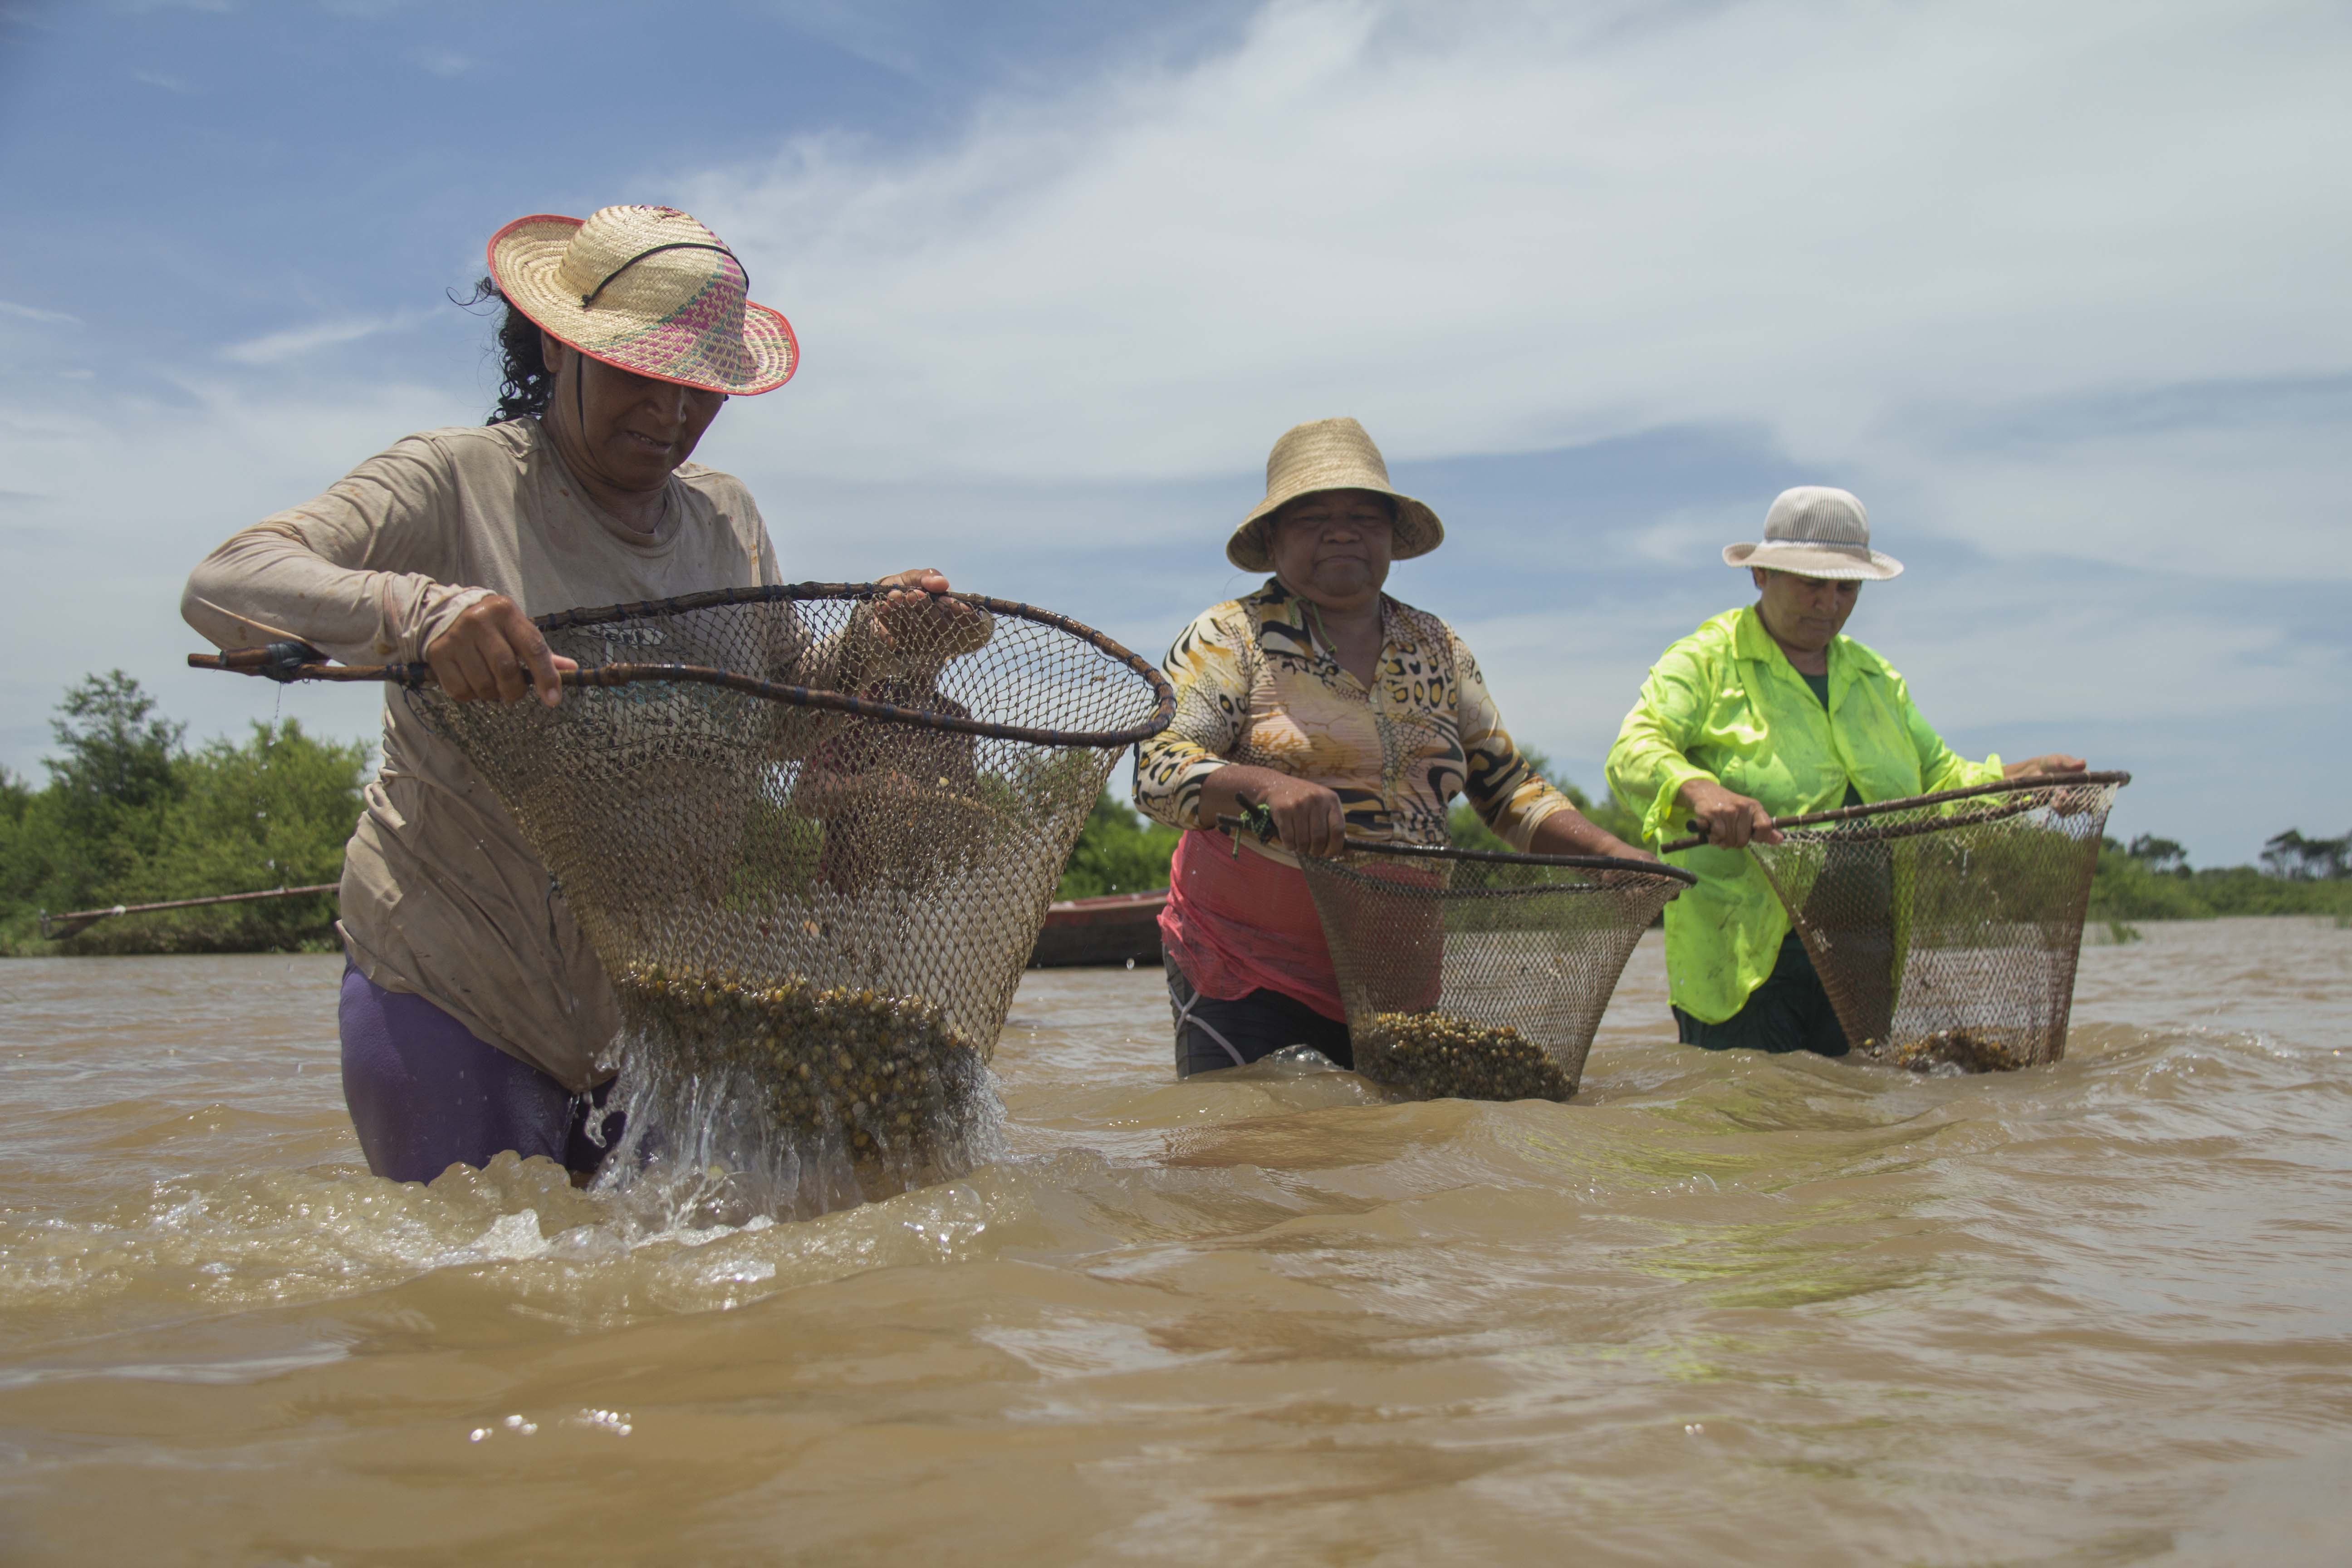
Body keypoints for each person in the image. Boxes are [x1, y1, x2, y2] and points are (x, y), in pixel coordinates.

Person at [181, 204, 965, 1182]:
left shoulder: (726, 518)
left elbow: (769, 712)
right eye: (642, 372)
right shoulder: (454, 482)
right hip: (459, 977)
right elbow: (226, 583)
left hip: (654, 1007)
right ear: (557, 347)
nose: (672, 413)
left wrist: (872, 646)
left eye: (700, 389)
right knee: (475, 1297)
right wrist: (422, 611)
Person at [1135, 417, 1653, 1078]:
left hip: (1398, 978)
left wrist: (1607, 854)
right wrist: (1268, 788)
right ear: (1272, 536)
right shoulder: (1226, 636)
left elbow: (1508, 788)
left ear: (1391, 537)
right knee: (1253, 1155)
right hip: (1245, 963)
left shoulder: (1436, 646)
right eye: (1313, 516)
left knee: (1391, 1166)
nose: (1343, 531)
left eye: (1364, 516)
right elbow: (1157, 769)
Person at [1605, 486, 2086, 1056]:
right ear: (1762, 576)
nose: (1829, 603)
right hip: (1742, 964)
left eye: (1846, 587)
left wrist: (2024, 779)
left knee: (1858, 1131)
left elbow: (1941, 782)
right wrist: (1702, 791)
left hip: (1862, 961)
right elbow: (1633, 749)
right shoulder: (1706, 661)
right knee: (1749, 1133)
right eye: (1813, 584)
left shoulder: (1876, 679)